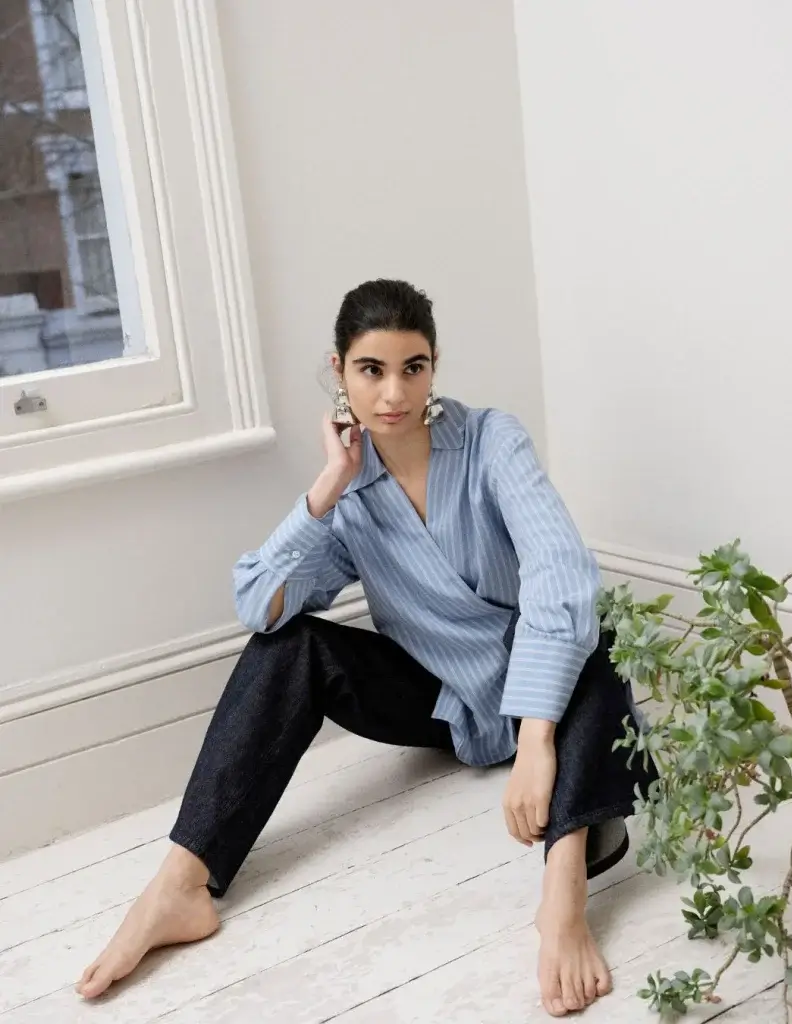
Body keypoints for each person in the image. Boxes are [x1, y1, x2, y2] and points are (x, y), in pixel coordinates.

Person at [76, 279, 656, 1016]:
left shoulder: (491, 441)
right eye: (371, 370)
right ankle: (181, 882)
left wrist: (536, 740)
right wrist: (325, 489)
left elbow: (559, 577)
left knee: (593, 639)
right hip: (443, 701)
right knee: (289, 648)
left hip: (545, 696)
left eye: (412, 368)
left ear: (434, 366)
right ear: (340, 372)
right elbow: (260, 606)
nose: (393, 393)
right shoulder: (348, 494)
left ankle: (563, 890)